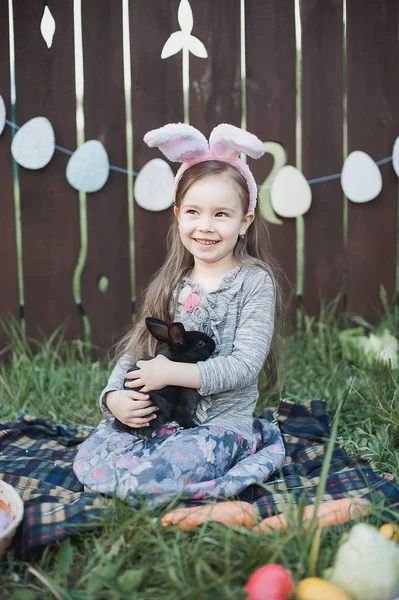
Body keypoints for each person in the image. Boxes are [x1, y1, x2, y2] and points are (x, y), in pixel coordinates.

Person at [73, 123, 287, 508]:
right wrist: (114, 397)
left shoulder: (254, 283)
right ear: (177, 215)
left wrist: (172, 373)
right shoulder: (174, 283)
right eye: (193, 212)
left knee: (175, 464)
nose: (205, 226)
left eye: (221, 214)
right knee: (102, 450)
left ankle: (159, 479)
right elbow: (135, 352)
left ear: (245, 221)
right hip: (163, 416)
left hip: (221, 426)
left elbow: (243, 366)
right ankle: (140, 471)